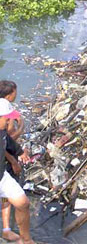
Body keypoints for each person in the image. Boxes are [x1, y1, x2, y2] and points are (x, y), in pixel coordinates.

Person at [0, 80, 34, 244]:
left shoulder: (1, 132)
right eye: (7, 119)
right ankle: (6, 230)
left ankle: (26, 240)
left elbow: (7, 140)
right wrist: (13, 160)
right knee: (6, 201)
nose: (8, 123)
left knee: (22, 203)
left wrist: (20, 153)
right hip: (5, 168)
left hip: (1, 175)